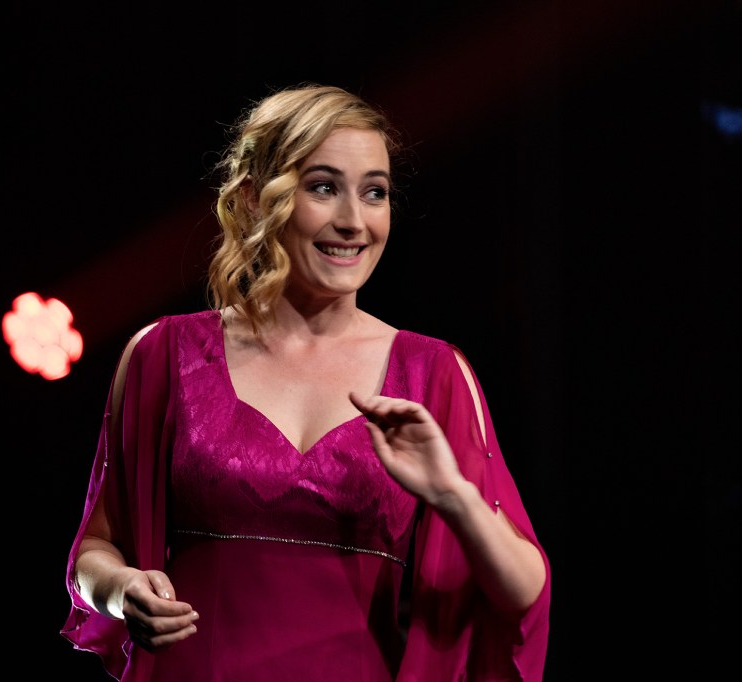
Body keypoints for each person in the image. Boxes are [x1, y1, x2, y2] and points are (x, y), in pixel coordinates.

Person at [61, 83, 550, 681]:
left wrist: (453, 493)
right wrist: (121, 592)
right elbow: (94, 550)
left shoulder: (434, 372)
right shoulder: (164, 355)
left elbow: (524, 592)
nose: (353, 222)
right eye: (323, 187)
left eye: (375, 192)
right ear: (254, 200)